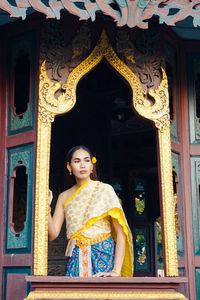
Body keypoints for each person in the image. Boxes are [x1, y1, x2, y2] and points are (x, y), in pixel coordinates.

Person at [48, 145, 133, 277]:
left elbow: (121, 233)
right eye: (77, 161)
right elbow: (52, 234)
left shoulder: (105, 190)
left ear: (92, 166)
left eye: (87, 160)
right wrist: (46, 208)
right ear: (69, 167)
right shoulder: (63, 197)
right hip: (76, 257)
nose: (83, 165)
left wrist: (116, 271)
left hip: (103, 255)